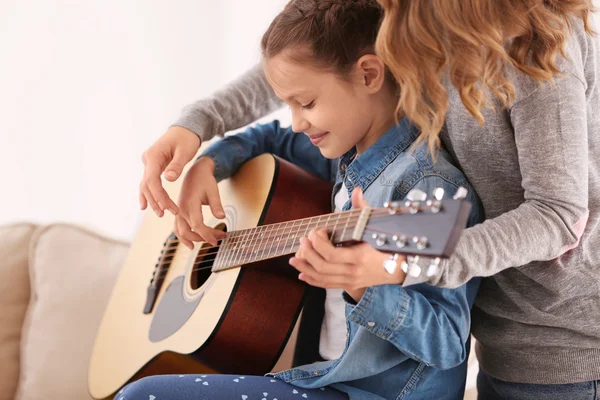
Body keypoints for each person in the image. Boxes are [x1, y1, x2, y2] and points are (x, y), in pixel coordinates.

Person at [122, 1, 484, 399]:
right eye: (288, 104)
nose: (296, 121)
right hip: (320, 377)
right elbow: (269, 138)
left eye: (307, 103)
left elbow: (448, 343)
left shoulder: (431, 189)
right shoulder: (346, 152)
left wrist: (365, 286)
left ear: (368, 75)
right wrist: (206, 164)